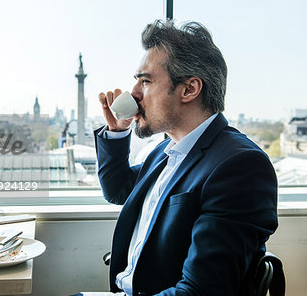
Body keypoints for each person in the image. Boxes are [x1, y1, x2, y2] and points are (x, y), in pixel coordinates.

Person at [95, 20, 278, 296]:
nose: (132, 93)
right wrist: (117, 133)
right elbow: (118, 189)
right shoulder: (165, 152)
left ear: (189, 89)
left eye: (145, 81)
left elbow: (200, 292)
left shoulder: (240, 167)